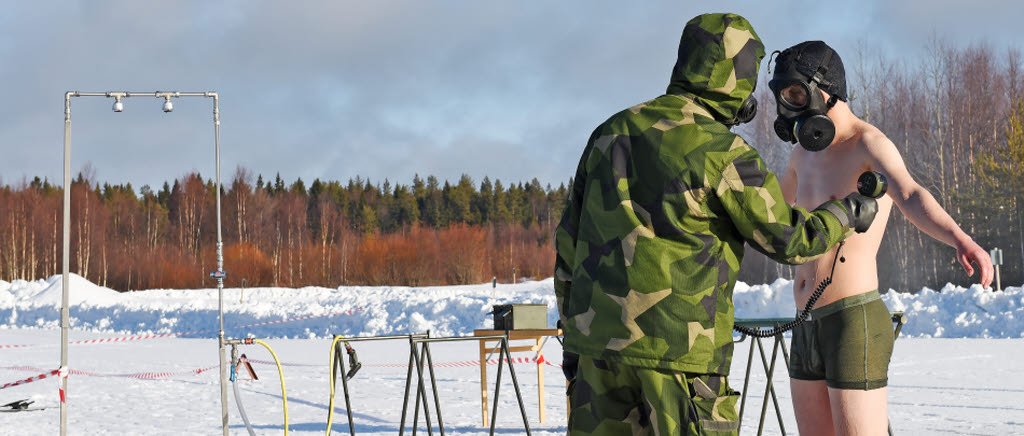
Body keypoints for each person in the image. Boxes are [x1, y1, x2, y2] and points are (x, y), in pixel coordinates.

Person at [553, 14, 880, 436]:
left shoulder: (608, 134)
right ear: (739, 82)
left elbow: (568, 245)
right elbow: (790, 238)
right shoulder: (724, 152)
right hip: (681, 362)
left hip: (597, 357)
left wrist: (575, 343)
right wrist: (847, 213)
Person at [769, 40, 995, 436]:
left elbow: (910, 194)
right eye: (783, 95)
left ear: (826, 88)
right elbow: (765, 210)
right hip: (805, 322)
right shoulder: (801, 156)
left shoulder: (867, 143)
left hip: (851, 318)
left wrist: (961, 239)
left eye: (795, 93)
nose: (789, 105)